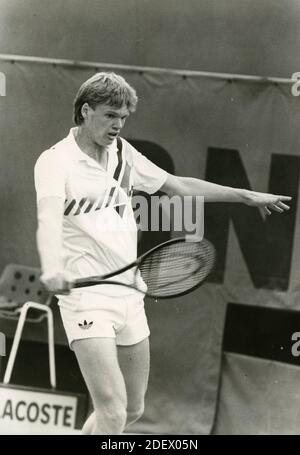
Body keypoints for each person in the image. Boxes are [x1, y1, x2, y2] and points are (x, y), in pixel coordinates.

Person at [34, 72, 291, 435]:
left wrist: (246, 195)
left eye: (124, 117)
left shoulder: (123, 153)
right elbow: (47, 219)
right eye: (110, 115)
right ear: (86, 110)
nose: (118, 125)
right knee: (112, 411)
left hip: (130, 292)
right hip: (86, 300)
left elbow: (179, 185)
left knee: (133, 409)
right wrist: (51, 267)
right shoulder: (54, 162)